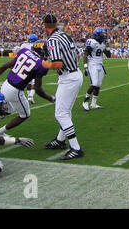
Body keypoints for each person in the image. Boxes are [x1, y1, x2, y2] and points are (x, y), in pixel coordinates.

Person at [0, 41, 55, 136]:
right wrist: (49, 98)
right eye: (47, 51)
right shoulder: (42, 64)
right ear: (43, 51)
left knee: (6, 110)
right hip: (15, 90)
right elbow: (38, 89)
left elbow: (5, 66)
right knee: (25, 115)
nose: (49, 53)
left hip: (5, 84)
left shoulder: (24, 51)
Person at [41, 14, 84, 160]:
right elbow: (77, 56)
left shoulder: (52, 39)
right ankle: (60, 140)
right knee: (65, 111)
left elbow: (57, 64)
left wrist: (44, 64)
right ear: (57, 23)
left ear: (44, 25)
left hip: (69, 78)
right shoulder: (65, 35)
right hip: (74, 74)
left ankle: (76, 148)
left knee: (61, 114)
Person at [82, 28, 110, 111]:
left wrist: (107, 47)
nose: (104, 35)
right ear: (97, 35)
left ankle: (93, 104)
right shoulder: (92, 42)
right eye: (102, 34)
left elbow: (108, 55)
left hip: (100, 65)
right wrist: (85, 66)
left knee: (98, 85)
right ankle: (85, 102)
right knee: (94, 83)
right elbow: (85, 54)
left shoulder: (103, 43)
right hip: (93, 64)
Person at [19, 34, 39, 104]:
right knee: (35, 82)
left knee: (28, 81)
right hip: (34, 64)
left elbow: (20, 53)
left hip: (25, 64)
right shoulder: (37, 45)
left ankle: (28, 96)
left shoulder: (24, 45)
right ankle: (30, 96)